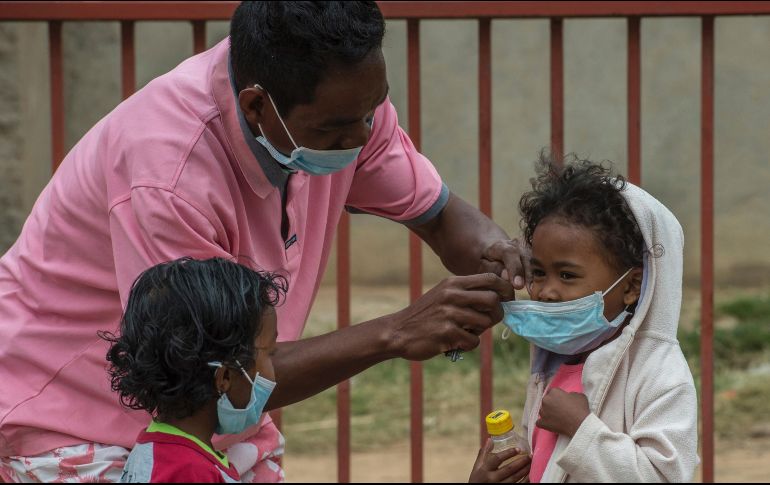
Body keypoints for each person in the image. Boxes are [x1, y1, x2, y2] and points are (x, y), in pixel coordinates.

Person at [0, 2, 526, 482]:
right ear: (256, 108)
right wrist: (394, 332)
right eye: (339, 129)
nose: (364, 137)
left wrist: (505, 260)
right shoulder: (168, 173)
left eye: (373, 112)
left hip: (215, 428)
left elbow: (438, 216)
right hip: (73, 418)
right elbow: (211, 370)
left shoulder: (342, 105)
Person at [469, 155, 699, 482]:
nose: (545, 292)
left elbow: (665, 477)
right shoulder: (556, 361)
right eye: (538, 273)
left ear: (631, 286)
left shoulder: (660, 374)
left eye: (566, 275)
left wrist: (582, 430)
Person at [100, 257, 285, 482]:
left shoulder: (166, 450)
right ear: (225, 376)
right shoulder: (189, 471)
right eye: (269, 353)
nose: (272, 370)